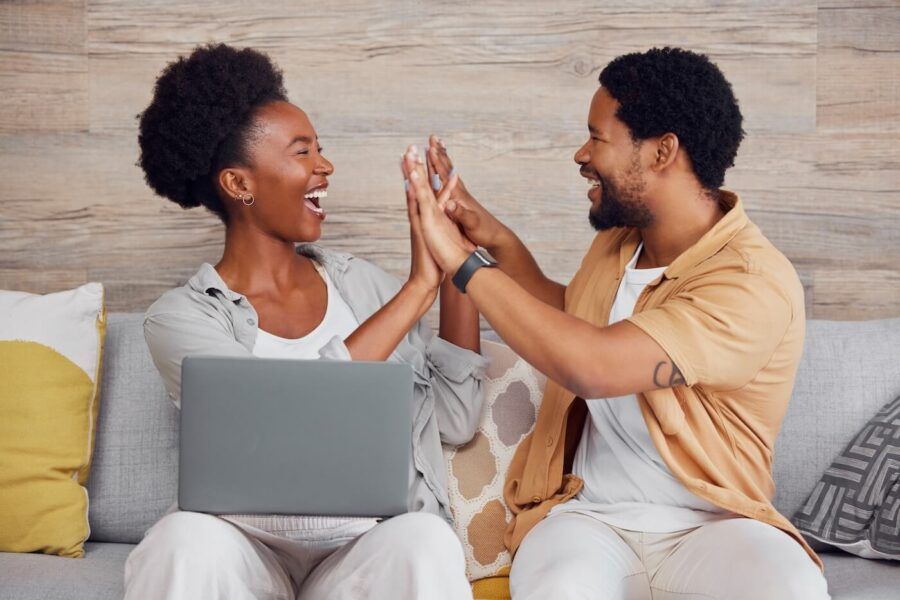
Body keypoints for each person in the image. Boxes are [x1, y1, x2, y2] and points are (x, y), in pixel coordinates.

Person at [403, 47, 830, 599]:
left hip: (712, 524)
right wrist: (493, 237)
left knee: (790, 586)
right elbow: (573, 322)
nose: (581, 154)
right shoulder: (618, 245)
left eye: (597, 138)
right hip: (588, 519)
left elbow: (594, 364)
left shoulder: (751, 281)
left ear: (662, 151)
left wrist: (463, 266)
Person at [127, 43, 483, 600]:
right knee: (181, 541)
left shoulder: (365, 289)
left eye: (321, 149)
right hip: (241, 548)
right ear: (239, 184)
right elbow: (284, 427)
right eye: (302, 152)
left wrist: (459, 260)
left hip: (359, 549)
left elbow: (458, 419)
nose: (325, 166)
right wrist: (418, 290)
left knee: (425, 541)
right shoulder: (181, 318)